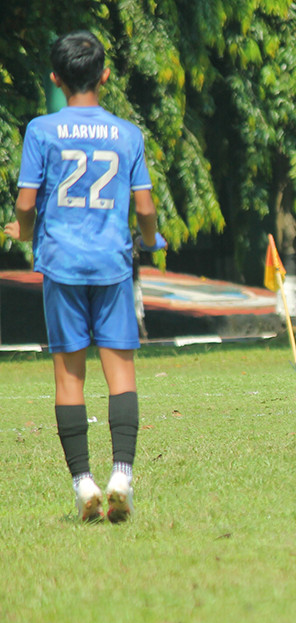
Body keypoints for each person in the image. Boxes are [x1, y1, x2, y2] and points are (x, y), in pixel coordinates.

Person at [4, 30, 165, 523]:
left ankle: (83, 483)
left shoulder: (41, 131)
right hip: (112, 265)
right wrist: (151, 240)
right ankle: (122, 474)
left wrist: (24, 232)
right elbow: (145, 207)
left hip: (62, 264)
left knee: (69, 376)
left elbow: (26, 204)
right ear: (106, 75)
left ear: (55, 77)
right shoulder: (127, 134)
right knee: (121, 372)